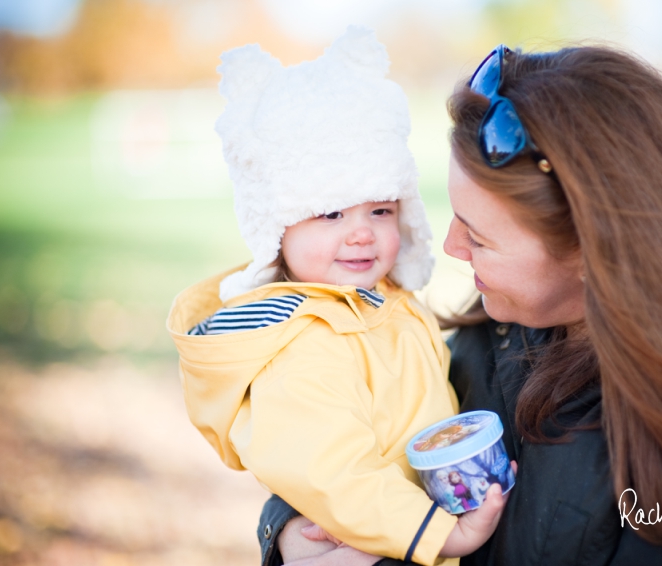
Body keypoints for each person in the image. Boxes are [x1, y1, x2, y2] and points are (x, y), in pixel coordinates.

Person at [259, 44, 662, 565]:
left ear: (597, 252)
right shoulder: (495, 329)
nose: (449, 248)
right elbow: (362, 444)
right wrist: (290, 533)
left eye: (479, 237)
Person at [166, 27, 508, 566]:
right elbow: (331, 472)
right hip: (388, 545)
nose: (361, 233)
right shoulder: (303, 343)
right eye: (330, 213)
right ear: (278, 229)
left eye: (380, 210)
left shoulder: (385, 302)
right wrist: (437, 533)